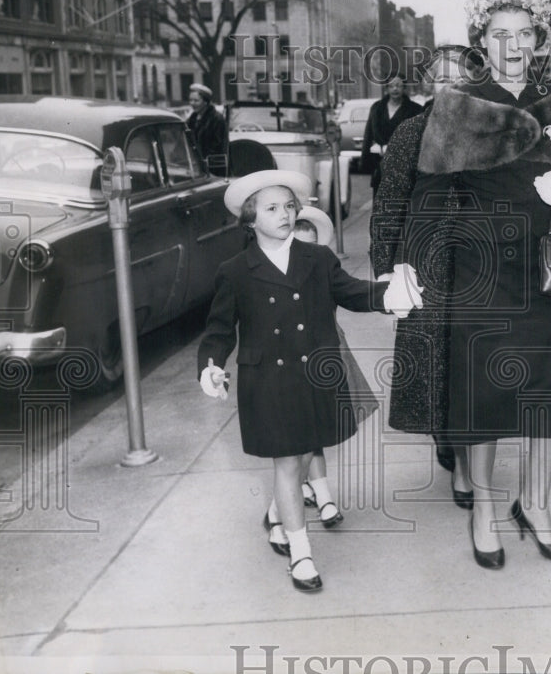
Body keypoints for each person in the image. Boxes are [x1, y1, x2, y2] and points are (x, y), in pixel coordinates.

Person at [397, 0, 551, 569]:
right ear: (483, 41)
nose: (512, 44)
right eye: (499, 34)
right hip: (481, 270)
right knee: (481, 395)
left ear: (539, 40)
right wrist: (407, 263)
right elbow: (428, 194)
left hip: (550, 271)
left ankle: (535, 504)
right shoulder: (457, 105)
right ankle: (484, 510)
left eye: (523, 33)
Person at [197, 171, 419, 592]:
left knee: (299, 459)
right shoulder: (235, 271)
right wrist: (209, 365)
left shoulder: (317, 259)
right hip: (269, 382)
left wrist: (386, 296)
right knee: (288, 461)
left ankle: (278, 516)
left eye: (289, 206)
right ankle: (301, 554)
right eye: (271, 208)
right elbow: (220, 330)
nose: (284, 214)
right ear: (249, 220)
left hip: (316, 374)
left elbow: (351, 291)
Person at [370, 45, 483, 507]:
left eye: (460, 76)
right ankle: (446, 437)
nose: (450, 84)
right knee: (436, 356)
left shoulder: (488, 132)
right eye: (441, 77)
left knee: (473, 358)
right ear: (429, 84)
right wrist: (383, 271)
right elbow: (389, 203)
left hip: (480, 259)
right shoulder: (410, 134)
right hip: (426, 261)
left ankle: (463, 458)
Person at [263, 207, 381, 540]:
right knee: (301, 444)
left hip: (325, 357)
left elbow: (352, 292)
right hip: (288, 366)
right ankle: (281, 512)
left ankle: (293, 505)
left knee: (314, 438)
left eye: (312, 246)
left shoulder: (322, 268)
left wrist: (388, 294)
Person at [361, 74, 424, 194]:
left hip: (404, 168)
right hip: (380, 166)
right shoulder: (377, 108)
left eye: (399, 85)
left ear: (404, 88)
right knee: (380, 205)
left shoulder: (416, 110)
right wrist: (365, 162)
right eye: (391, 86)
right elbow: (368, 134)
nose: (395, 89)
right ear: (386, 88)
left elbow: (419, 140)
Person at [187, 82, 229, 176]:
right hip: (196, 167)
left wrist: (201, 160)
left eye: (196, 100)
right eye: (190, 100)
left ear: (205, 102)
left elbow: (217, 145)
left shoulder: (216, 119)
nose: (192, 103)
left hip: (213, 169)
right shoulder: (192, 119)